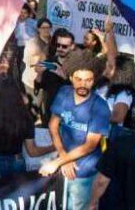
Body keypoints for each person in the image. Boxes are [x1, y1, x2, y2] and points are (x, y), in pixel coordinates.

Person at [39, 51, 110, 210]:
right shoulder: (64, 92)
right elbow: (53, 125)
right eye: (79, 79)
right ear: (71, 77)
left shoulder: (100, 106)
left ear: (94, 80)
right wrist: (64, 157)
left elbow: (90, 145)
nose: (83, 84)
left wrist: (57, 162)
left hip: (83, 171)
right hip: (64, 163)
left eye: (88, 80)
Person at [0, 79, 54, 178]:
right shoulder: (26, 118)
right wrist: (52, 147)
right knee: (16, 191)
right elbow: (32, 151)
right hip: (16, 161)